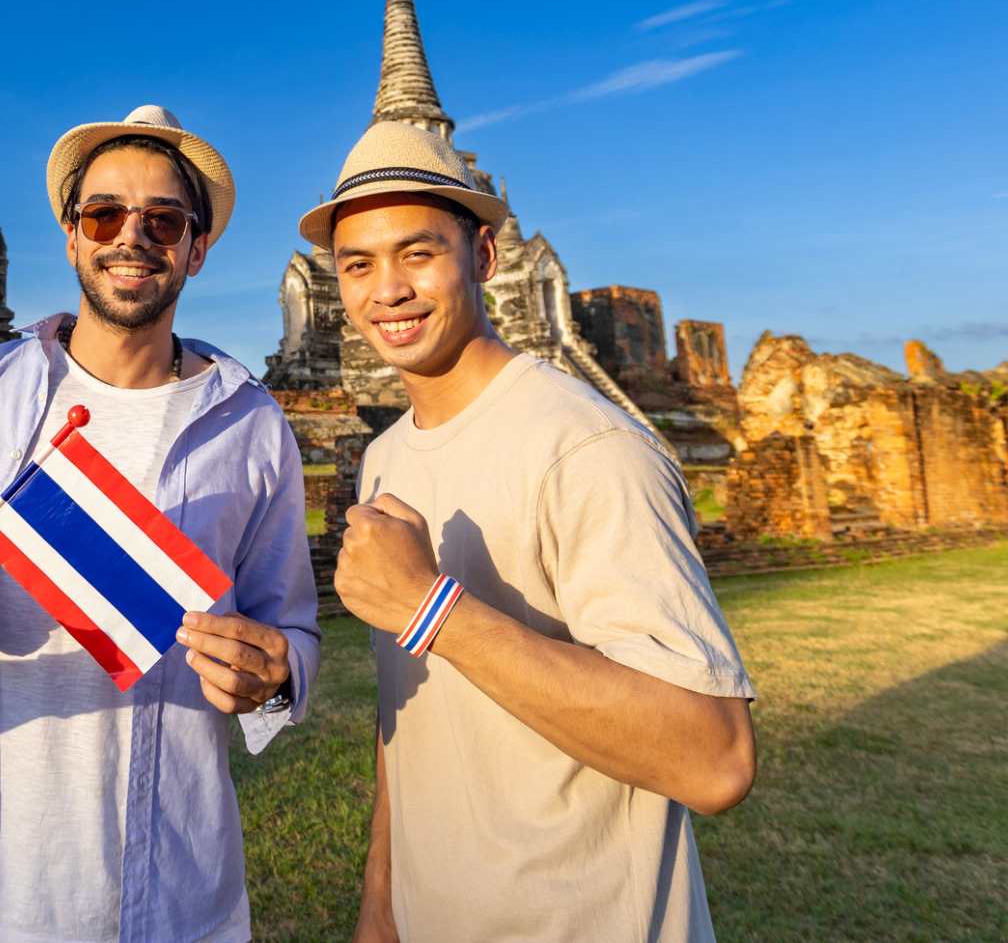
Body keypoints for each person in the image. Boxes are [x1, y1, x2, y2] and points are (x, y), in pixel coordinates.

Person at [0, 105, 321, 943]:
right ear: (71, 238)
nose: (130, 236)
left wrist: (277, 671)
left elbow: (294, 628)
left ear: (195, 249)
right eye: (104, 213)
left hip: (178, 881)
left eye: (163, 220)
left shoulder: (250, 423)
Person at [314, 121, 757, 943]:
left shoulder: (591, 447)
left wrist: (431, 606)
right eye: (359, 263)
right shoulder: (383, 460)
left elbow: (714, 756)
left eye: (418, 252)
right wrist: (383, 900)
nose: (389, 290)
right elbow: (412, 719)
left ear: (484, 257)